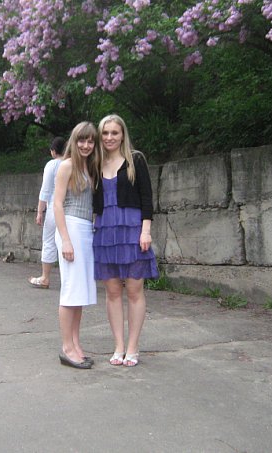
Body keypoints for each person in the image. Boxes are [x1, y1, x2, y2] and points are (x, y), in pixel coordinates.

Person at [92, 114, 159, 367]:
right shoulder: (95, 162)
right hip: (105, 231)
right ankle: (119, 346)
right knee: (111, 292)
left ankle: (133, 347)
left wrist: (146, 230)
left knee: (133, 290)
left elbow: (147, 197)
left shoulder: (135, 159)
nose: (109, 137)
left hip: (132, 230)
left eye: (114, 133)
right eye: (105, 133)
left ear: (122, 135)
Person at [53, 122, 101, 369]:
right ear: (74, 140)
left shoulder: (89, 167)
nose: (86, 145)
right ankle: (66, 348)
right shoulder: (67, 165)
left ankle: (75, 343)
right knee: (71, 290)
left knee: (79, 293)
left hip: (84, 230)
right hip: (70, 229)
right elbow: (57, 204)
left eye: (91, 141)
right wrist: (66, 240)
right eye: (82, 140)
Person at [29, 137, 66, 289]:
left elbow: (45, 190)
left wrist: (39, 212)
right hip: (71, 210)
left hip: (54, 208)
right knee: (68, 243)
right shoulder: (73, 163)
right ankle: (69, 280)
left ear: (53, 151)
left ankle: (45, 277)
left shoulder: (52, 165)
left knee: (49, 241)